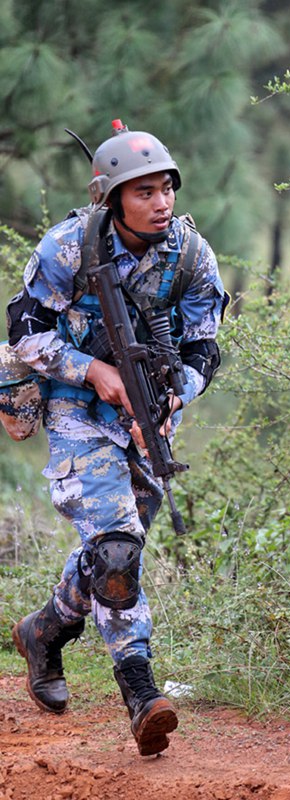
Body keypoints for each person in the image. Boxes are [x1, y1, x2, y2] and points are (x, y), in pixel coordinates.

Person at [8, 120, 225, 756]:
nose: (161, 203)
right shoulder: (67, 247)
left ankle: (45, 631)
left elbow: (204, 347)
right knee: (116, 553)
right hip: (75, 406)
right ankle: (141, 692)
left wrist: (173, 398)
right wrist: (92, 371)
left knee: (113, 552)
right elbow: (24, 330)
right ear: (110, 197)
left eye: (167, 189)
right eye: (144, 192)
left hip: (147, 412)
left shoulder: (190, 255)